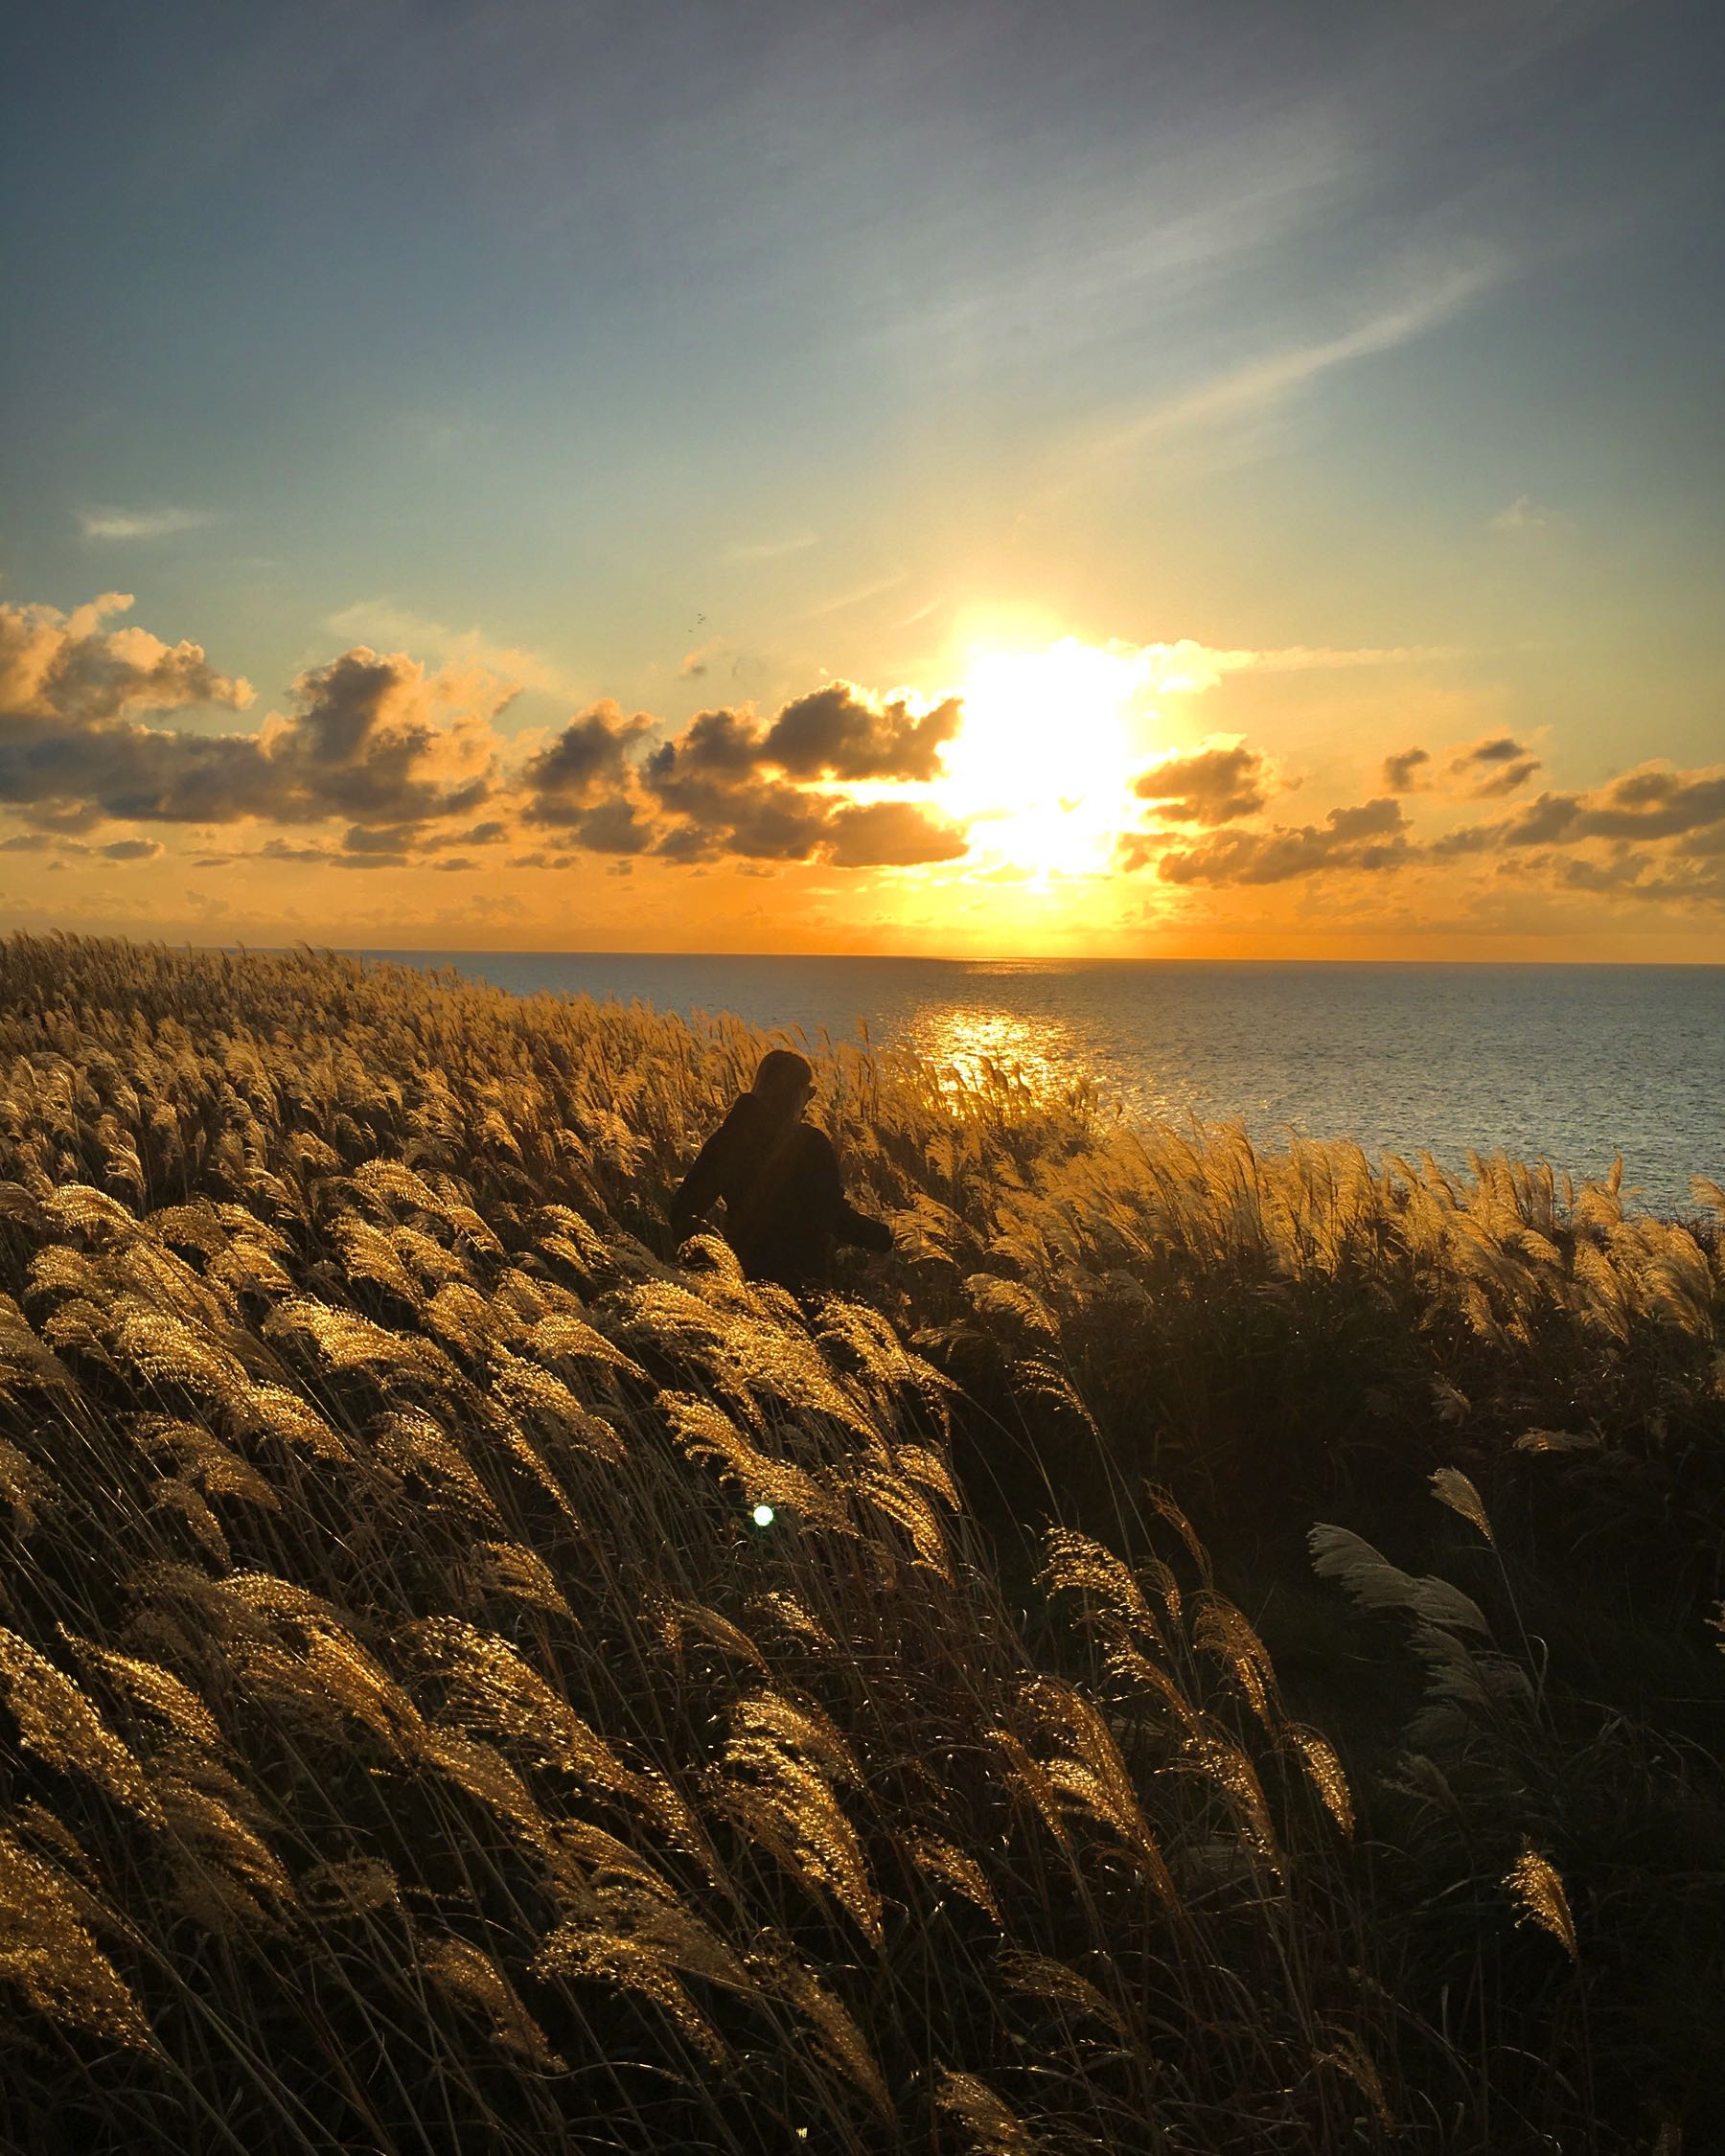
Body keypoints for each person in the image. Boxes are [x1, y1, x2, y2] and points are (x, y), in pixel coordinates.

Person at [668, 1047, 893, 1291]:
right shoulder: (809, 1143)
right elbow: (833, 1215)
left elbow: (684, 1209)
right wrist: (882, 1239)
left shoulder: (729, 1138)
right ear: (795, 1094)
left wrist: (707, 1270)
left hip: (743, 1280)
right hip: (802, 1284)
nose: (808, 1101)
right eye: (809, 1093)